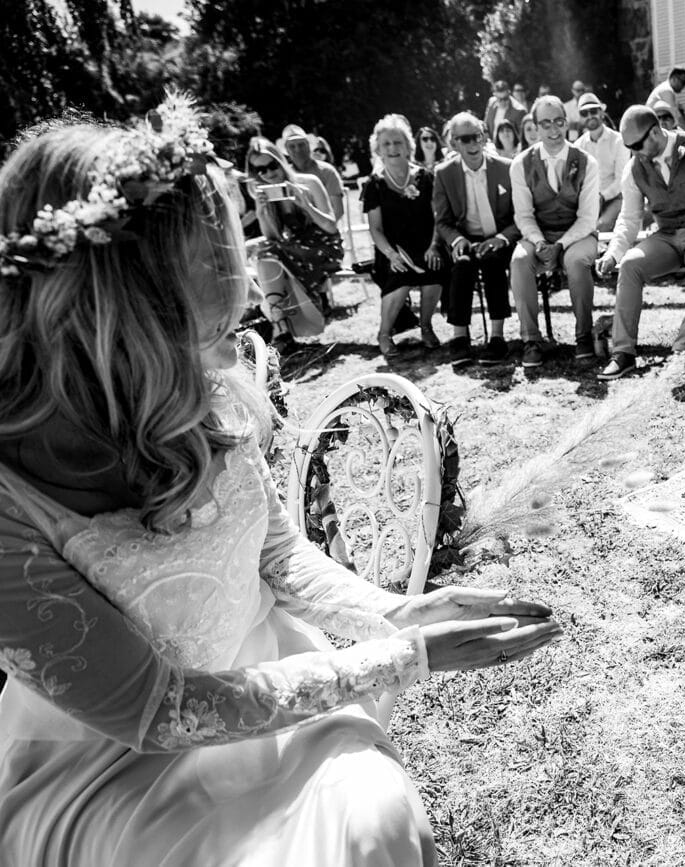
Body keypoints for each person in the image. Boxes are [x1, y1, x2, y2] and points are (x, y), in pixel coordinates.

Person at [0, 100, 561, 867]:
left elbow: (275, 553)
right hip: (112, 769)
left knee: (374, 827)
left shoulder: (207, 388)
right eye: (205, 334)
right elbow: (159, 708)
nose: (233, 357)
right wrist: (405, 655)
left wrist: (397, 610)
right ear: (107, 317)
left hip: (272, 683)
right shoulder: (10, 496)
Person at [593, 105, 685, 379]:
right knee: (630, 265)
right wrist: (613, 253)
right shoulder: (634, 168)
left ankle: (682, 352)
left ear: (654, 132)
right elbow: (629, 217)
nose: (635, 152)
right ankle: (623, 353)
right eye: (630, 147)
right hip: (666, 237)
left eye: (638, 145)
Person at [509, 95, 600, 368]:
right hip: (538, 234)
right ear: (535, 127)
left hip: (578, 236)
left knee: (575, 260)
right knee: (519, 260)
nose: (553, 130)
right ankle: (531, 340)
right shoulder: (521, 164)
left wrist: (560, 244)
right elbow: (523, 216)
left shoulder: (587, 162)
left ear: (567, 123)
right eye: (545, 123)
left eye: (558, 121)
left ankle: (583, 335)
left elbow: (587, 218)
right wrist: (539, 242)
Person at [433, 112, 521, 367]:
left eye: (478, 136)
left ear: (484, 137)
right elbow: (443, 221)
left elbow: (521, 216)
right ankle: (460, 337)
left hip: (501, 238)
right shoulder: (444, 173)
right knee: (461, 265)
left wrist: (502, 238)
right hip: (467, 238)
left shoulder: (505, 168)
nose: (473, 143)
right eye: (465, 138)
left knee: (493, 262)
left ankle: (497, 337)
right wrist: (457, 239)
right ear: (454, 143)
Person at [245, 137, 343, 345]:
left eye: (272, 165)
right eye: (260, 170)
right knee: (265, 251)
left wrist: (307, 206)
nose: (269, 173)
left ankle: (279, 327)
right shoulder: (267, 192)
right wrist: (262, 212)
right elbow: (274, 238)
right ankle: (280, 328)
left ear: (281, 160)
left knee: (266, 252)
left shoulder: (308, 182)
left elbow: (331, 226)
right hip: (295, 249)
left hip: (324, 245)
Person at [362, 114, 445, 356]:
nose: (392, 148)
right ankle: (384, 333)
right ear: (378, 149)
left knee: (434, 269)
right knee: (401, 274)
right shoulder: (374, 185)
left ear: (408, 146)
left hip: (426, 244)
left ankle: (426, 325)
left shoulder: (425, 177)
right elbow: (375, 229)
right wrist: (389, 254)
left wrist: (434, 246)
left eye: (397, 142)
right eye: (386, 144)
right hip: (392, 250)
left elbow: (437, 216)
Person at [574, 90, 630, 233]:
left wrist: (602, 196)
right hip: (588, 201)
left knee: (600, 226)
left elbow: (621, 180)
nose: (589, 116)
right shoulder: (578, 146)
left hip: (615, 199)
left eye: (593, 111)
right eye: (584, 113)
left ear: (601, 113)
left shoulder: (618, 141)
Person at [281, 124, 345, 231]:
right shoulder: (284, 175)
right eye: (292, 146)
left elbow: (338, 210)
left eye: (301, 144)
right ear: (286, 150)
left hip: (325, 231)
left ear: (309, 146)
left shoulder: (327, 171)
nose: (297, 149)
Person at [648, 66, 685, 132]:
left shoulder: (665, 89)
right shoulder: (666, 90)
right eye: (683, 82)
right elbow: (679, 119)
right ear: (674, 79)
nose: (684, 85)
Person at [483, 79, 527, 147]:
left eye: (505, 99)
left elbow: (522, 137)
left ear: (509, 93)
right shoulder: (491, 102)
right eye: (500, 99)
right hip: (492, 147)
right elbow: (486, 125)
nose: (503, 102)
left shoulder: (519, 111)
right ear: (494, 95)